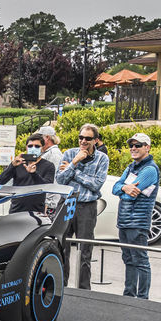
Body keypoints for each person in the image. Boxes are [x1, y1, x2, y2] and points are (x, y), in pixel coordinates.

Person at [56, 123, 109, 290]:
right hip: (66, 203)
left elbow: (96, 185)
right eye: (81, 137)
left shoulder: (102, 158)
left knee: (85, 250)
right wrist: (74, 161)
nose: (83, 141)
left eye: (88, 138)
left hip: (87, 207)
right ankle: (61, 286)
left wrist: (74, 170)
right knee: (61, 248)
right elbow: (60, 180)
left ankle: (84, 290)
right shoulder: (69, 153)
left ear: (96, 140)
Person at [111, 133, 158, 299]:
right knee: (128, 260)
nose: (133, 148)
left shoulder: (150, 169)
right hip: (124, 222)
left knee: (141, 261)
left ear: (147, 147)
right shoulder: (131, 167)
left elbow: (128, 195)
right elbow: (115, 188)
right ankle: (129, 296)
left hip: (138, 223)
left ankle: (143, 299)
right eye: (132, 145)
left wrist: (123, 190)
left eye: (138, 145)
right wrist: (124, 188)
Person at [0, 133, 56, 213]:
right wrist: (12, 166)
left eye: (37, 146)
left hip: (36, 211)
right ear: (26, 147)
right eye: (30, 146)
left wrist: (34, 174)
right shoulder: (19, 163)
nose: (33, 148)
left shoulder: (48, 165)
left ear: (42, 148)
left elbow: (47, 187)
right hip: (16, 210)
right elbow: (1, 181)